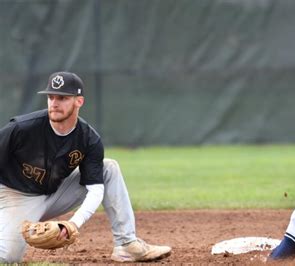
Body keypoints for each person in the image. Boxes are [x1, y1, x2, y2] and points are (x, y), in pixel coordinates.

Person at [0, 71, 171, 263]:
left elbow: (96, 189)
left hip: (55, 193)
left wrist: (72, 224)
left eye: (62, 98)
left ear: (78, 102)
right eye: (51, 97)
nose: (54, 103)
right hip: (15, 195)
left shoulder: (88, 139)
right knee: (8, 257)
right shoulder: (22, 128)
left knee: (109, 168)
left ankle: (126, 245)